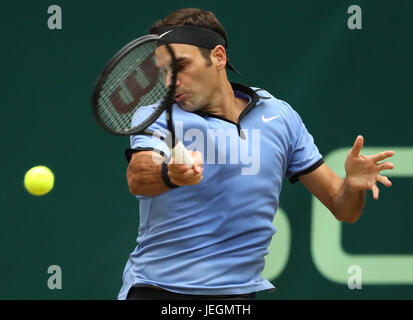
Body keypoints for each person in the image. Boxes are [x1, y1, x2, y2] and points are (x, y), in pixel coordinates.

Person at [118, 8, 395, 300]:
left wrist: (352, 186)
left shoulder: (279, 116)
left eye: (181, 66)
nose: (169, 82)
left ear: (218, 57)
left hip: (238, 296)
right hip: (161, 293)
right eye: (164, 71)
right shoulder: (157, 115)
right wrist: (169, 174)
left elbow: (343, 208)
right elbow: (139, 176)